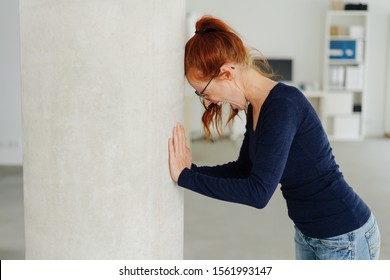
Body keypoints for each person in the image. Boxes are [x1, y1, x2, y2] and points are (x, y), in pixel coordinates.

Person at [168, 15, 380, 260]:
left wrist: (186, 179)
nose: (207, 101)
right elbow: (244, 169)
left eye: (203, 91)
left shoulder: (283, 105)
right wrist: (190, 171)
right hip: (309, 234)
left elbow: (258, 193)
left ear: (226, 73)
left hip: (345, 237)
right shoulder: (256, 107)